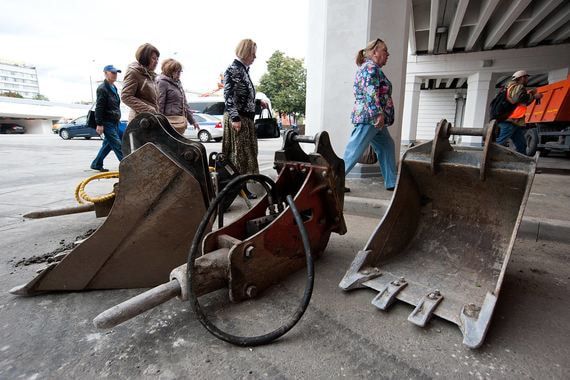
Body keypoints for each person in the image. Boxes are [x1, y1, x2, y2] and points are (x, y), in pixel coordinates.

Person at [343, 38, 397, 191]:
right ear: (375, 52)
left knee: (387, 145)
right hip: (370, 118)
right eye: (385, 50)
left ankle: (392, 182)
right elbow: (370, 91)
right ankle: (332, 181)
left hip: (372, 118)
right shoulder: (370, 68)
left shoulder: (371, 68)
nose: (388, 54)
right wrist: (377, 114)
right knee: (354, 150)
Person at [222, 39, 262, 199]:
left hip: (245, 118)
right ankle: (238, 189)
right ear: (246, 52)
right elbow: (228, 96)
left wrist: (258, 103)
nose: (255, 57)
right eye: (253, 53)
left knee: (244, 156)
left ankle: (241, 188)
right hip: (238, 119)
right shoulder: (233, 69)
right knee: (238, 156)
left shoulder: (243, 70)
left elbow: (243, 96)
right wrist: (235, 118)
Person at [495, 70, 543, 155]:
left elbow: (522, 101)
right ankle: (490, 159)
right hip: (511, 120)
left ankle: (523, 163)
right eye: (526, 78)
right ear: (521, 78)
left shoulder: (509, 86)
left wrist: (531, 94)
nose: (527, 80)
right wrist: (534, 96)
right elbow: (517, 99)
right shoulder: (519, 86)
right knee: (500, 143)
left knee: (521, 145)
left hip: (515, 122)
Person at [90, 65, 124, 172]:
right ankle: (128, 167)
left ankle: (96, 164)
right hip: (107, 122)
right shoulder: (102, 89)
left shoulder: (113, 88)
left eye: (116, 73)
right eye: (112, 72)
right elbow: (99, 108)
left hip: (115, 122)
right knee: (118, 145)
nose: (115, 75)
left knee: (108, 145)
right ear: (105, 73)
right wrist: (99, 124)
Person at [157, 58, 199, 135]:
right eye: (177, 71)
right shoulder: (162, 82)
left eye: (180, 71)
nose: (179, 74)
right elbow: (160, 104)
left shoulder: (178, 83)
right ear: (170, 71)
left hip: (179, 122)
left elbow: (185, 104)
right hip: (169, 123)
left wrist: (193, 121)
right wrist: (159, 124)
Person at [121, 43, 160, 122]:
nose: (156, 62)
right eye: (153, 58)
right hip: (139, 122)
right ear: (145, 58)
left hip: (150, 120)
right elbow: (126, 96)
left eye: (157, 59)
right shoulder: (134, 72)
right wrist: (149, 110)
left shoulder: (151, 76)